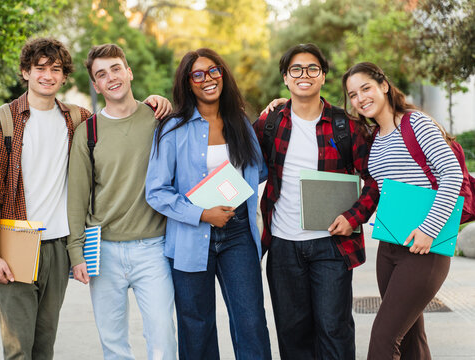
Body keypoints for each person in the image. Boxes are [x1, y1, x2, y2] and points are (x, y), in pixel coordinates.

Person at [0, 37, 171, 360]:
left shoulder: (77, 119)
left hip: (57, 245)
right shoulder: (1, 121)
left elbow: (117, 113)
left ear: (65, 76)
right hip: (16, 243)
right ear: (25, 72)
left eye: (55, 69)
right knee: (17, 349)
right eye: (39, 69)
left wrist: (155, 100)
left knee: (44, 345)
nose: (47, 76)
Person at [254, 43, 380, 360]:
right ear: (286, 78)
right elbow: (231, 150)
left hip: (332, 244)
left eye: (313, 68)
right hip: (283, 246)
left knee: (334, 330)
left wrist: (354, 217)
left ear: (323, 76)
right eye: (296, 69)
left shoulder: (346, 126)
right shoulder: (270, 124)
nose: (304, 75)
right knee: (292, 332)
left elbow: (376, 180)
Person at [145, 48, 271, 360]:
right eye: (198, 74)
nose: (208, 79)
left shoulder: (239, 121)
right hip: (190, 235)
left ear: (223, 75)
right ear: (188, 83)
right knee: (196, 326)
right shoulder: (172, 129)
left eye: (214, 71)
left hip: (237, 232)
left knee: (251, 322)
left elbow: (259, 169)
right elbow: (156, 191)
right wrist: (202, 212)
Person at [342, 62, 463, 360]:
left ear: (383, 85)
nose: (360, 98)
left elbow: (452, 175)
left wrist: (429, 230)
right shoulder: (373, 137)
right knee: (410, 339)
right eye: (353, 94)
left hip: (425, 248)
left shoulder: (415, 123)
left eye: (366, 88)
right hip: (391, 246)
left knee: (383, 338)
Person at [66, 43, 176, 360]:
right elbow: (77, 198)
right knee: (113, 344)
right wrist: (76, 253)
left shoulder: (160, 119)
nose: (111, 78)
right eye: (102, 74)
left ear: (128, 72)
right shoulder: (88, 132)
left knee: (163, 339)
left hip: (153, 248)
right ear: (96, 85)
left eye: (116, 69)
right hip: (103, 251)